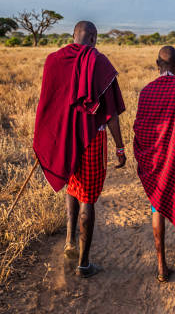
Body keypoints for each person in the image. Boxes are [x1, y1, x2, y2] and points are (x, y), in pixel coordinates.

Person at [33, 21, 126, 278]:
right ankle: (84, 264)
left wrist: (46, 139)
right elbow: (111, 114)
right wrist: (120, 148)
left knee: (71, 185)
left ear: (74, 37)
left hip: (64, 138)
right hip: (91, 141)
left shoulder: (54, 60)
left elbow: (49, 105)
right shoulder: (100, 63)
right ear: (94, 38)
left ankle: (70, 240)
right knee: (88, 199)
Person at [133, 46, 175, 283]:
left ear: (157, 64)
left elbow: (139, 128)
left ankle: (161, 264)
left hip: (154, 160)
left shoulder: (146, 91)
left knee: (157, 205)